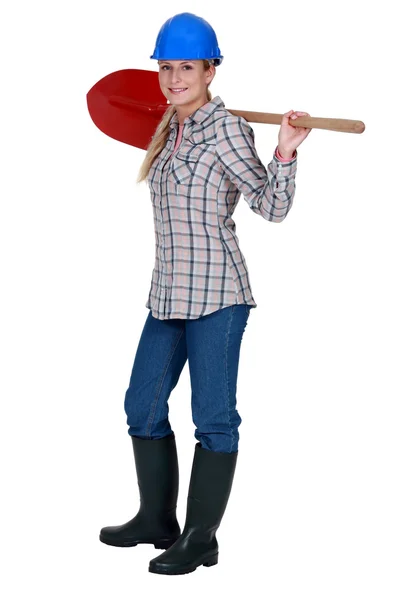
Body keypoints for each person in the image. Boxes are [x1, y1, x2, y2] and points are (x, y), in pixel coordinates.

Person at [99, 12, 311, 575]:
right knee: (141, 406)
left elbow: (272, 206)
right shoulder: (168, 128)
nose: (174, 78)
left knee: (213, 417)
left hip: (218, 296)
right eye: (166, 67)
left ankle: (200, 538)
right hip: (167, 295)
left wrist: (285, 150)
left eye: (186, 67)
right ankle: (156, 520)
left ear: (210, 69)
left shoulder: (228, 131)